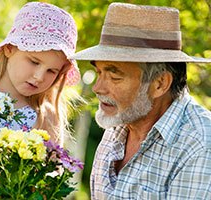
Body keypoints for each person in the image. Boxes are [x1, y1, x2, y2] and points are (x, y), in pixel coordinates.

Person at [71, 2, 211, 199]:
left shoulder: (200, 145)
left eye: (115, 76)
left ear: (160, 84)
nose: (98, 88)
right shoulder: (117, 128)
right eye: (99, 72)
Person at [0, 2, 80, 184]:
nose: (39, 77)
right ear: (9, 49)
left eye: (51, 71)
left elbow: (48, 179)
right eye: (34, 62)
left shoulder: (45, 117)